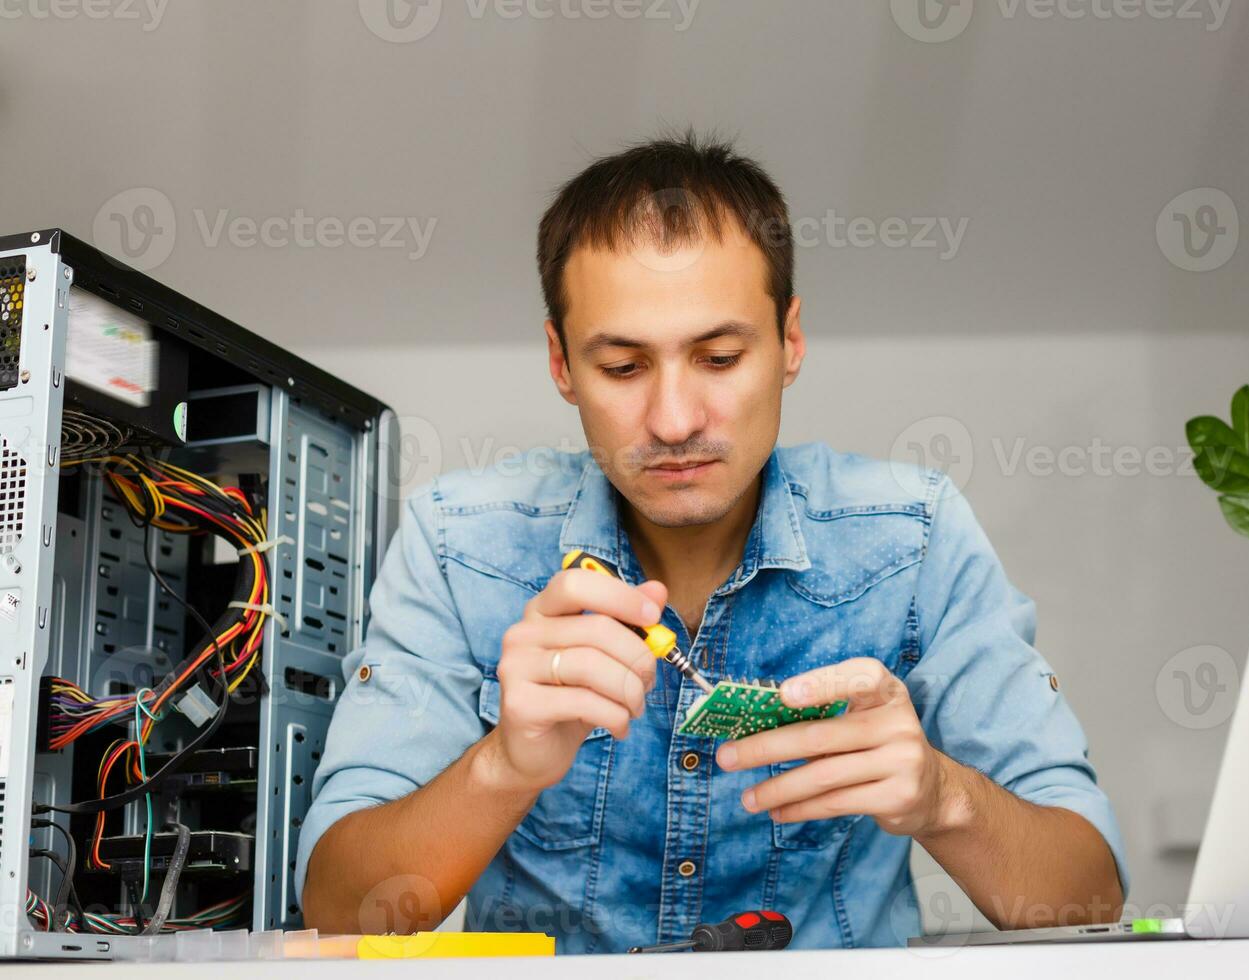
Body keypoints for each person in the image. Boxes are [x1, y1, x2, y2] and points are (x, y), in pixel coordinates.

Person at [297, 131, 1126, 952]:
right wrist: (503, 767)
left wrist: (946, 797)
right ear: (560, 362)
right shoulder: (456, 544)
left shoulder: (914, 539)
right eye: (623, 368)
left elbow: (1087, 897)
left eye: (720, 357)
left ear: (790, 342)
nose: (674, 420)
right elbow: (337, 907)